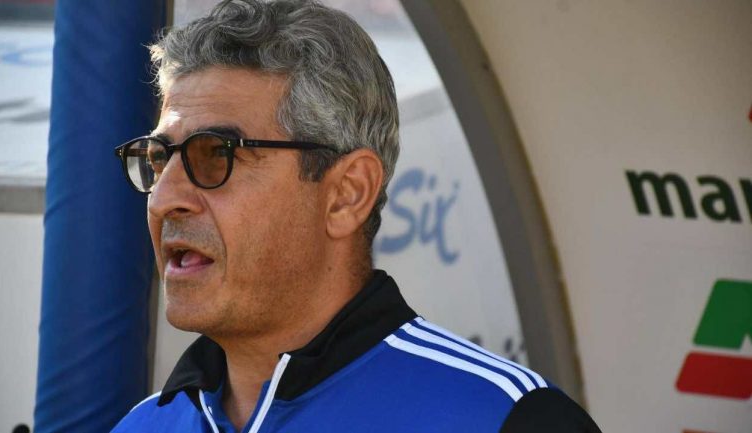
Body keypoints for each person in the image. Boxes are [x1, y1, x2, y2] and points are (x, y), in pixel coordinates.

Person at [111, 1, 601, 431]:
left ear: (348, 194)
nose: (164, 198)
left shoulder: (507, 419)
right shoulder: (141, 427)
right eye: (159, 158)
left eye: (216, 154)